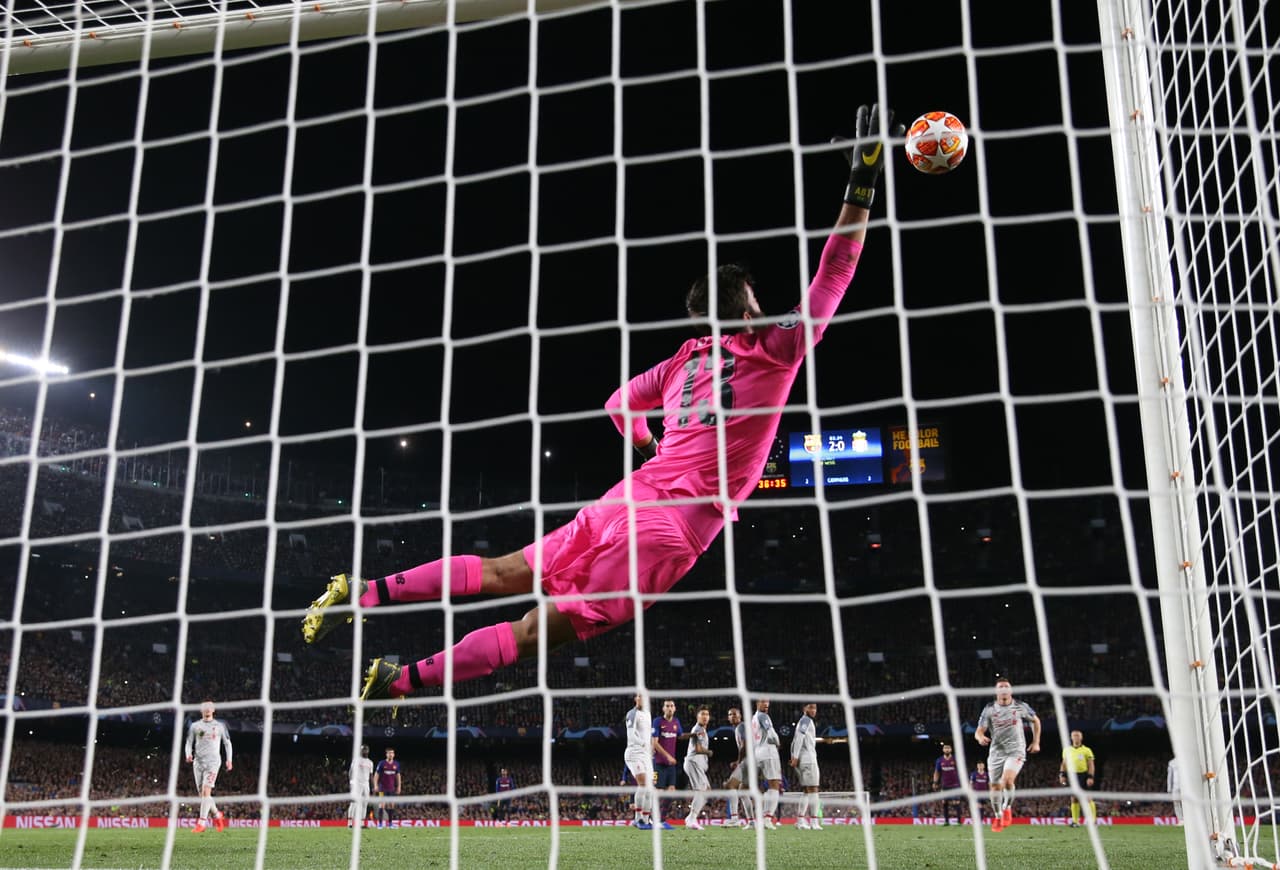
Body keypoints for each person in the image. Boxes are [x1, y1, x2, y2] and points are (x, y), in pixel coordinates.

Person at [298, 105, 904, 707]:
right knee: (536, 632)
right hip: (672, 529)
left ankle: (362, 591)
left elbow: (617, 404)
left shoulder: (683, 362)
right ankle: (399, 681)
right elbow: (836, 269)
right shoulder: (776, 348)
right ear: (747, 311)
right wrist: (864, 177)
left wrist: (650, 448)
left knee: (504, 570)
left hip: (628, 497)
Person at [973, 678, 1040, 833]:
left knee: (1007, 780)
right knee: (995, 786)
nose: (1003, 689)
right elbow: (979, 730)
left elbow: (1035, 721)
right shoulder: (989, 709)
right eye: (1000, 687)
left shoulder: (1020, 706)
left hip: (1016, 750)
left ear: (1010, 690)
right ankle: (997, 816)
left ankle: (1007, 807)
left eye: (1006, 686)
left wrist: (1036, 742)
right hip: (996, 752)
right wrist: (980, 737)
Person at [790, 702, 845, 830]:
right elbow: (798, 738)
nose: (814, 710)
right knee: (814, 790)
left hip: (803, 759)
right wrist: (795, 757)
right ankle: (814, 822)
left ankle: (800, 820)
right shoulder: (805, 721)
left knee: (805, 791)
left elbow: (795, 740)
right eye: (810, 707)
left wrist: (794, 756)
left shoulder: (803, 721)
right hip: (808, 759)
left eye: (815, 708)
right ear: (804, 709)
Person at [183, 699, 232, 834]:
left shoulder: (220, 726)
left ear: (213, 710)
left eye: (209, 707)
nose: (207, 709)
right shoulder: (195, 726)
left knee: (206, 792)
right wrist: (188, 754)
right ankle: (217, 815)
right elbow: (188, 743)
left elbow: (227, 743)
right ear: (201, 710)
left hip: (213, 762)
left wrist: (229, 760)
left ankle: (202, 822)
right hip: (198, 763)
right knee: (203, 795)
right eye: (204, 707)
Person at [625, 693, 656, 830]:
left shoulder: (648, 714)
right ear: (635, 699)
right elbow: (631, 735)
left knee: (650, 789)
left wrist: (650, 748)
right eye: (639, 696)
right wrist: (644, 744)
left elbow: (648, 734)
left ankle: (646, 819)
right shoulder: (632, 714)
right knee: (643, 784)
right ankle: (637, 819)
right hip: (634, 753)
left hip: (645, 755)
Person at [752, 699, 784, 830]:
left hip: (758, 752)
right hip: (768, 752)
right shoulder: (763, 716)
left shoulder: (753, 718)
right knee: (775, 786)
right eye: (763, 701)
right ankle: (767, 818)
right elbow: (770, 732)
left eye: (768, 702)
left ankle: (763, 817)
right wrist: (777, 742)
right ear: (757, 703)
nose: (766, 704)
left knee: (768, 787)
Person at [651, 699, 682, 830]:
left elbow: (680, 735)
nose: (669, 708)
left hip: (670, 765)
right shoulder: (658, 721)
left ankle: (661, 820)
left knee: (671, 792)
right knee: (658, 792)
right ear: (663, 709)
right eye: (667, 706)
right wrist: (668, 756)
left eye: (672, 706)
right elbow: (655, 743)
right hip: (659, 763)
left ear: (675, 709)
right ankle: (652, 819)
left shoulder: (676, 722)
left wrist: (694, 734)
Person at [682, 706, 713, 829]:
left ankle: (691, 817)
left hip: (696, 764)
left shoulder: (702, 730)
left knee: (707, 791)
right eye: (702, 714)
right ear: (697, 716)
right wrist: (709, 752)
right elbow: (698, 749)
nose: (705, 716)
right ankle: (692, 819)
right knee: (701, 791)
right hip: (693, 762)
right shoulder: (698, 729)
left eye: (707, 714)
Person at [1059, 729, 1097, 826]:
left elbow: (1091, 765)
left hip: (1083, 775)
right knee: (1074, 798)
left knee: (1088, 797)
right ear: (1071, 737)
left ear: (1081, 737)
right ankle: (1075, 822)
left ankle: (1093, 821)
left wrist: (1090, 776)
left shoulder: (1087, 750)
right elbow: (1064, 764)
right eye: (1074, 735)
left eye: (1078, 735)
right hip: (1072, 776)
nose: (1076, 737)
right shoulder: (1066, 750)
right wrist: (1062, 775)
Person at [724, 707, 754, 828]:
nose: (733, 716)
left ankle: (734, 818)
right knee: (743, 792)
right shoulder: (741, 727)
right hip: (752, 762)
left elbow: (744, 745)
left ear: (740, 716)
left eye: (735, 714)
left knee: (730, 785)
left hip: (747, 761)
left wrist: (738, 761)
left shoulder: (741, 727)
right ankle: (751, 822)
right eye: (730, 714)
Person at [932, 743, 963, 825]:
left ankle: (959, 821)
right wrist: (935, 782)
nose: (947, 749)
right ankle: (946, 821)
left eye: (948, 748)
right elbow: (937, 772)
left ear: (951, 749)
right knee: (944, 802)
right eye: (945, 748)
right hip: (944, 785)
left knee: (956, 802)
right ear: (943, 750)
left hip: (955, 784)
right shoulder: (939, 760)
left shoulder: (955, 759)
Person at [373, 747, 401, 828]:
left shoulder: (396, 764)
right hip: (382, 788)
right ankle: (380, 824)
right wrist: (375, 785)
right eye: (389, 753)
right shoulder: (382, 763)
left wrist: (399, 786)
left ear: (394, 754)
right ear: (386, 754)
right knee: (382, 805)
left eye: (392, 753)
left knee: (392, 805)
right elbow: (376, 774)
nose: (391, 754)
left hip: (391, 789)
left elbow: (398, 776)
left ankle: (390, 824)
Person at [347, 744, 374, 829]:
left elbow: (371, 775)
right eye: (363, 749)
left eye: (365, 749)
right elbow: (351, 772)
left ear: (368, 751)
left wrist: (373, 786)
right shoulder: (356, 760)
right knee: (354, 803)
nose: (364, 751)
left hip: (366, 784)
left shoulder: (370, 762)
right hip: (357, 784)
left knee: (364, 804)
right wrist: (351, 783)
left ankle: (362, 824)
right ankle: (350, 823)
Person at [1167, 756, 1183, 824]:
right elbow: (1170, 776)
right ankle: (1181, 820)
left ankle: (1188, 819)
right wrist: (1169, 788)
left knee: (1186, 803)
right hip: (1175, 787)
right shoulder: (1172, 762)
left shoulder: (1186, 761)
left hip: (1185, 787)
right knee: (1176, 804)